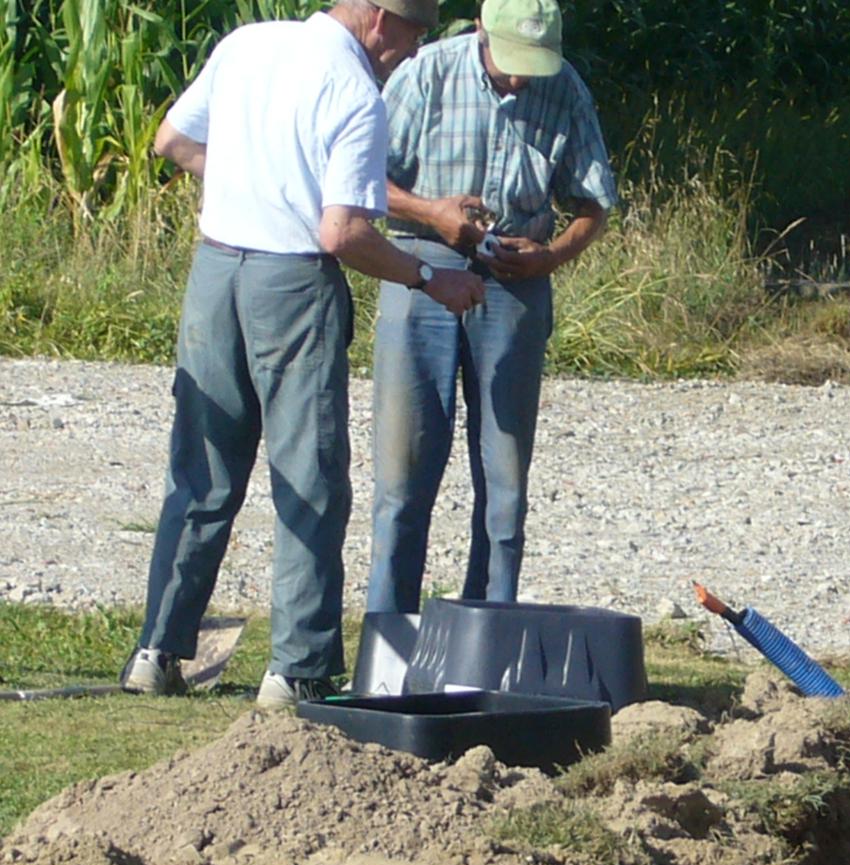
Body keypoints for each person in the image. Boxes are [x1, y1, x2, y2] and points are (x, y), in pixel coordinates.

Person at [119, 0, 486, 706]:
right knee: (309, 474)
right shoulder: (353, 91)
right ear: (381, 19)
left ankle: (156, 650)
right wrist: (430, 277)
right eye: (411, 37)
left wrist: (253, 187)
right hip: (290, 283)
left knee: (203, 470)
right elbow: (342, 233)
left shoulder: (249, 44)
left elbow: (172, 141)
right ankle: (299, 667)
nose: (410, 54)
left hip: (215, 270)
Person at [365, 0, 617, 612]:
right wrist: (434, 214)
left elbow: (595, 205)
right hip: (422, 269)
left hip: (516, 279)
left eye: (532, 65)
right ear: (480, 29)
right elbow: (366, 179)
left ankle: (491, 625)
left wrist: (550, 257)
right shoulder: (427, 73)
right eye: (510, 64)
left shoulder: (564, 88)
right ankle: (390, 632)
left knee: (504, 480)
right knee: (404, 475)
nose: (520, 78)